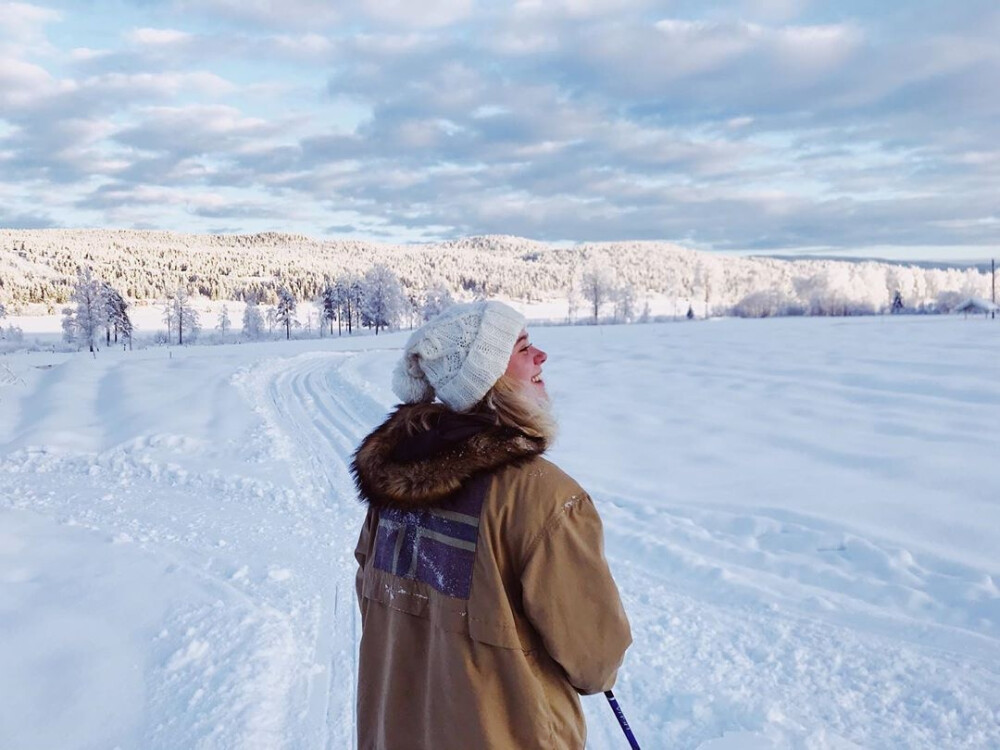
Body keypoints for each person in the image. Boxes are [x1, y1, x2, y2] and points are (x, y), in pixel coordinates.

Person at [351, 300, 632, 750]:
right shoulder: (545, 497)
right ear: (488, 379)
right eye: (523, 348)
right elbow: (594, 659)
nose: (541, 357)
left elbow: (374, 604)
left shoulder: (392, 491)